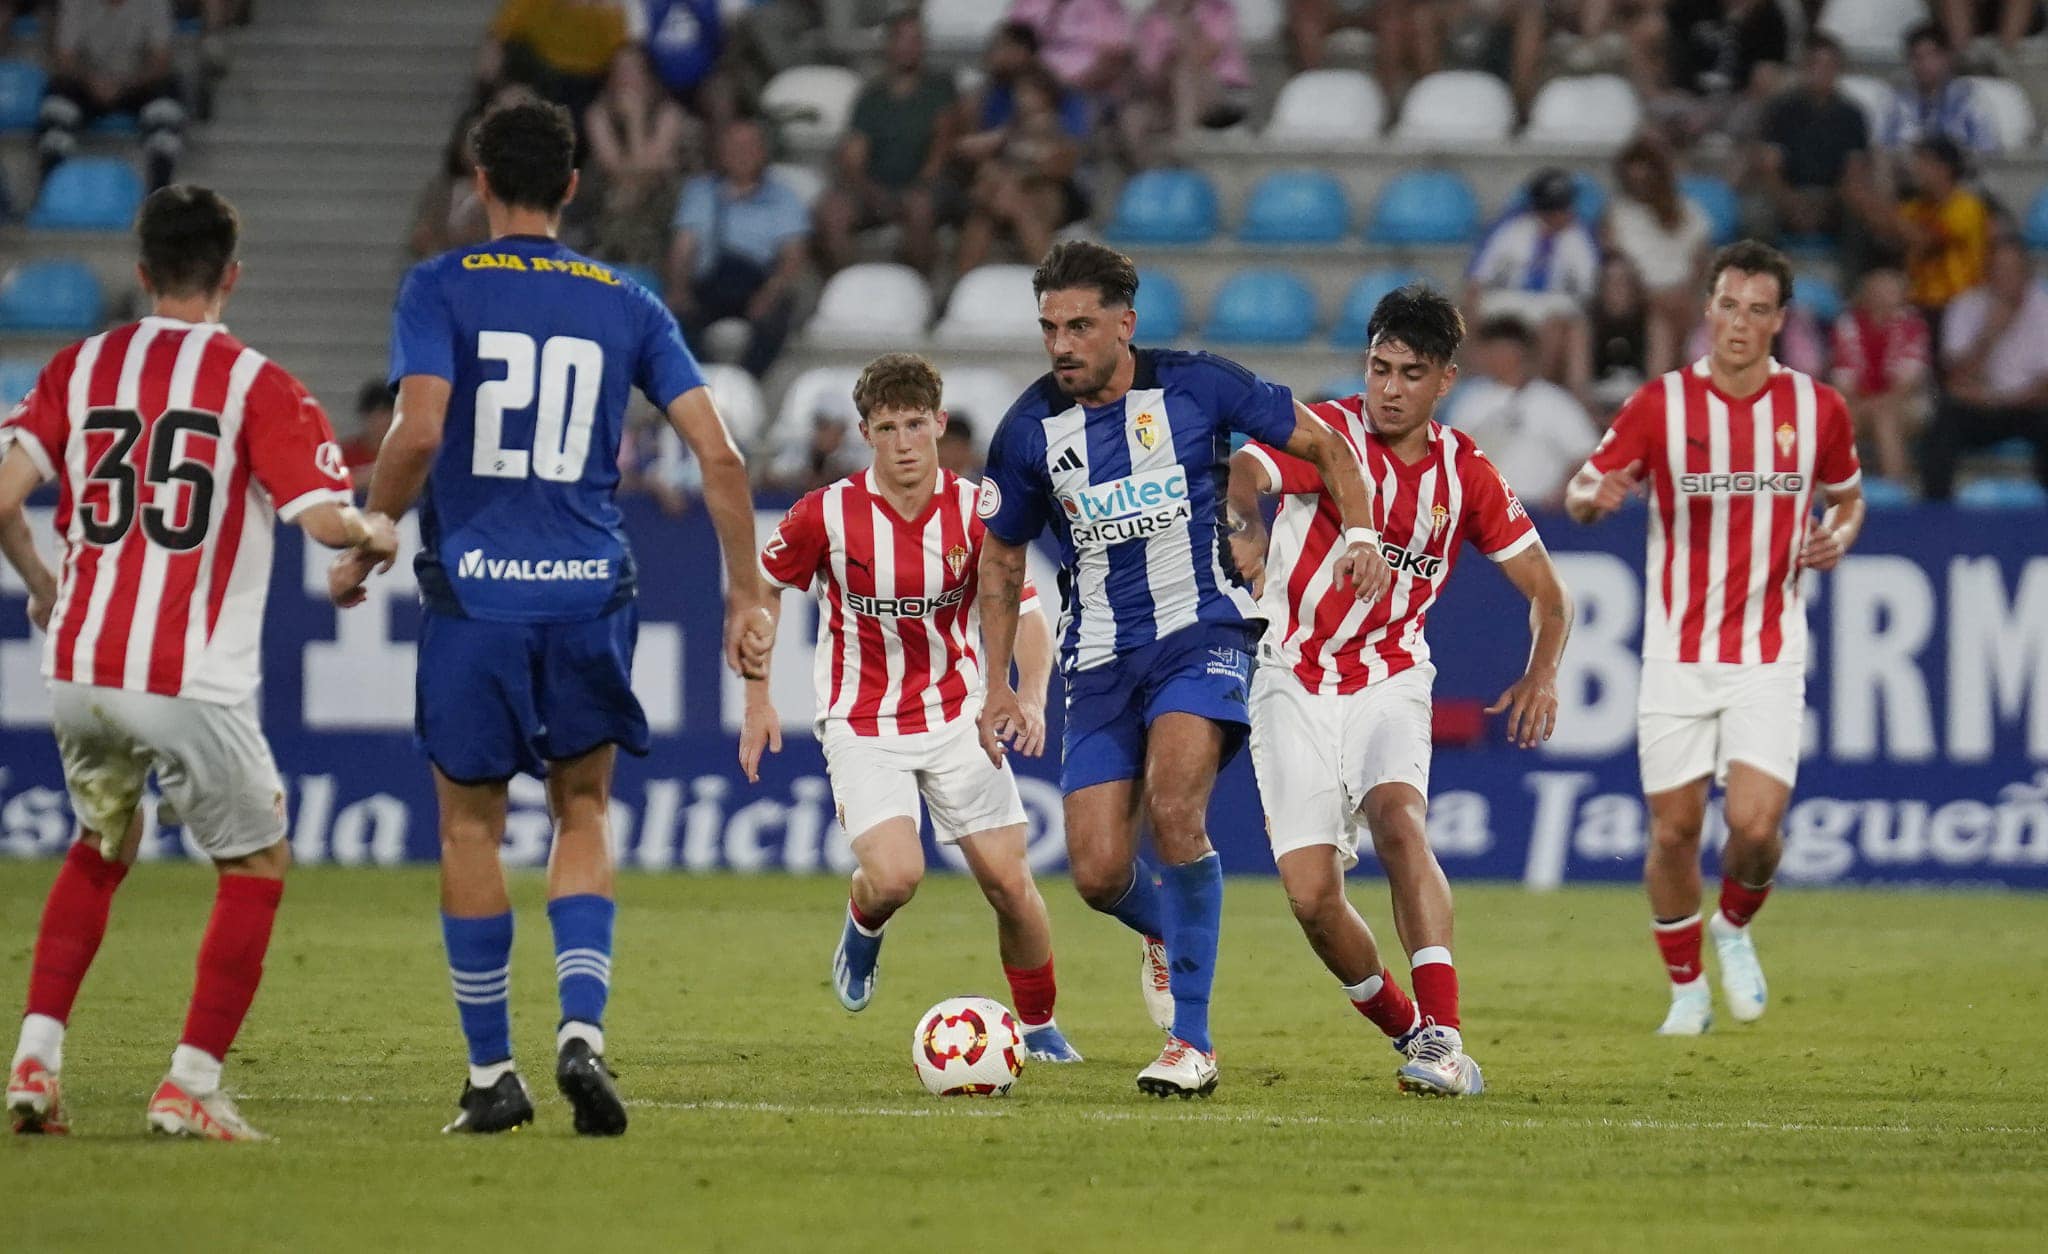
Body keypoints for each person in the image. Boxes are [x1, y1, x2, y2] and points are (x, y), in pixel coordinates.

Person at [332, 99, 771, 1136]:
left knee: (470, 822)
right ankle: (583, 1031)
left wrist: (372, 531)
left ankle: (492, 1076)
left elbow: (420, 423)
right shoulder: (624, 298)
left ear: (477, 180)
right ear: (573, 188)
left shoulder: (437, 284)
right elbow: (720, 456)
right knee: (583, 810)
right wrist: (745, 591)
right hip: (589, 593)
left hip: (477, 596)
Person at [974, 240, 1392, 1098]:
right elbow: (1001, 560)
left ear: (1126, 323)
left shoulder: (1199, 384)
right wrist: (997, 686)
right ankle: (1169, 935)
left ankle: (1191, 1045)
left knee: (1174, 810)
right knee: (1094, 871)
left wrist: (1358, 532)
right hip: (1097, 662)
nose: (1062, 344)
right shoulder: (1026, 430)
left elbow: (1329, 450)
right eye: (1050, 326)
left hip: (1202, 631)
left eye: (1080, 325)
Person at [2, 185, 377, 1140]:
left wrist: (42, 583)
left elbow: (3, 494)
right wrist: (368, 532)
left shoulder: (78, 367)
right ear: (231, 277)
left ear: (139, 274)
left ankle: (34, 1068)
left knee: (99, 846)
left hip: (81, 664)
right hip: (186, 674)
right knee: (255, 861)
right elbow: (321, 516)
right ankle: (190, 1084)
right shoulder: (257, 383)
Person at [1226, 284, 1573, 1098]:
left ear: (1444, 380)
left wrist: (1541, 671)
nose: (1387, 388)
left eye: (1409, 374)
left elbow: (1549, 594)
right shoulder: (1328, 431)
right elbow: (1245, 464)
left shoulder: (1467, 474)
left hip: (1390, 675)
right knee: (1313, 899)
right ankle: (1408, 1028)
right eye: (1378, 367)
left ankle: (1445, 1037)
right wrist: (1243, 522)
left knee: (1399, 822)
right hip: (1289, 676)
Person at [738, 353, 1082, 1065]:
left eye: (915, 424)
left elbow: (1025, 613)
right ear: (865, 432)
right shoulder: (825, 514)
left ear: (939, 424)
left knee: (1010, 884)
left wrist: (1029, 693)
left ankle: (1041, 1027)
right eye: (887, 427)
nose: (902, 442)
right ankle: (864, 924)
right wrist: (757, 697)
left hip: (958, 712)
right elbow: (761, 590)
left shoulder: (977, 512)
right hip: (861, 720)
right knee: (896, 877)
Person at [1565, 240, 1865, 1036]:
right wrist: (1601, 496)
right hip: (1676, 654)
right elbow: (1582, 488)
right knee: (1674, 831)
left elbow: (1848, 496)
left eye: (1757, 309)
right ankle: (1687, 987)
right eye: (1728, 305)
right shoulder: (1662, 404)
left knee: (1758, 829)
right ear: (1708, 309)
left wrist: (1838, 534)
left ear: (1779, 321)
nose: (1739, 322)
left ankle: (1731, 926)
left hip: (1768, 653)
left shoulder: (1817, 409)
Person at [813, 10, 957, 275]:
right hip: (877, 189)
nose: (909, 46)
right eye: (902, 39)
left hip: (926, 186)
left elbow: (941, 149)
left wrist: (916, 188)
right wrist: (873, 192)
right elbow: (854, 158)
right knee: (832, 211)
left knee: (919, 206)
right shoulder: (871, 98)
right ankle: (846, 286)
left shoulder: (940, 89)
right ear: (888, 44)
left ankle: (918, 288)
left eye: (916, 39)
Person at [664, 117, 809, 378]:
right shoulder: (700, 192)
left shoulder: (784, 197)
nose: (742, 154)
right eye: (734, 147)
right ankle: (703, 384)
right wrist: (679, 288)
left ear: (763, 152)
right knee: (674, 317)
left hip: (759, 282)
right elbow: (683, 248)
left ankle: (745, 384)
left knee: (777, 315)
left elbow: (792, 256)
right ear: (722, 153)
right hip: (710, 282)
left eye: (750, 146)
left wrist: (769, 293)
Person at [1925, 235, 2048, 498]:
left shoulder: (2043, 308)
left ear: (2026, 273)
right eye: (1998, 269)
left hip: (2027, 405)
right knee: (1945, 422)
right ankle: (1935, 509)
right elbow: (1955, 379)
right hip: (1977, 406)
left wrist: (2006, 399)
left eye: (2012, 270)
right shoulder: (1965, 306)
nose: (2004, 277)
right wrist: (1990, 335)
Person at [1466, 168, 1600, 395]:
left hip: (1554, 303)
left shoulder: (1580, 236)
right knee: (1467, 309)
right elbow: (1477, 280)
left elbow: (1589, 290)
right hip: (1509, 298)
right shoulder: (1510, 229)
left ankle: (1538, 392)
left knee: (1561, 327)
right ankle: (1477, 384)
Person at [1449, 314, 1602, 509]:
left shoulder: (1554, 402)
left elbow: (1586, 455)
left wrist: (1563, 491)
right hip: (1485, 514)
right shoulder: (1470, 401)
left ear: (1518, 352)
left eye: (1498, 350)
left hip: (1541, 514)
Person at [38, 0, 185, 192]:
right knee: (57, 98)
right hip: (88, 83)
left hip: (137, 84)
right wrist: (93, 81)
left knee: (167, 99)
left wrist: (124, 84)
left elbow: (161, 60)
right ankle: (51, 189)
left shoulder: (155, 3)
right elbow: (64, 58)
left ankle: (159, 193)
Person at [1605, 136, 1710, 377]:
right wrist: (1645, 294)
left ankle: (1686, 382)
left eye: (1646, 175)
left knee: (1686, 310)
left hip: (1683, 292)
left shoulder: (1688, 211)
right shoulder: (1617, 214)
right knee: (1659, 318)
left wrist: (1688, 290)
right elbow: (1614, 264)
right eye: (1633, 177)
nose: (1640, 182)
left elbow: (1700, 260)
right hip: (1639, 294)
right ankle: (1663, 384)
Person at [1753, 33, 1871, 242]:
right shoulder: (1781, 110)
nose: (1821, 72)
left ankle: (1851, 273)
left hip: (1834, 196)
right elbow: (1770, 166)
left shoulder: (1852, 115)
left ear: (1838, 69)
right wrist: (1791, 203)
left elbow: (1853, 171)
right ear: (1803, 68)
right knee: (1755, 214)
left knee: (1861, 212)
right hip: (1791, 192)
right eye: (1814, 64)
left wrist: (1826, 206)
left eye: (1828, 65)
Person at [583, 46, 693, 269]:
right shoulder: (598, 113)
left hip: (660, 198)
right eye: (621, 71)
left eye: (634, 70)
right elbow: (614, 168)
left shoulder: (669, 112)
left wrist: (636, 121)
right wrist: (649, 165)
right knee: (623, 195)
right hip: (611, 198)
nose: (627, 79)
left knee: (635, 194)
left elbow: (650, 171)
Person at [1829, 268, 1929, 484]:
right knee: (1837, 419)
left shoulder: (1913, 325)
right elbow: (1843, 381)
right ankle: (1830, 494)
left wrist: (1874, 406)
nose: (1883, 295)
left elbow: (1907, 385)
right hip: (1860, 403)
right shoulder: (1847, 325)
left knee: (1885, 418)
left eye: (1890, 289)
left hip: (1907, 403)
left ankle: (1896, 491)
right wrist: (1863, 405)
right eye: (1878, 289)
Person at [1892, 138, 1992, 323]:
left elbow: (1926, 241)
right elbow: (1892, 237)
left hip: (1959, 306)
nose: (1916, 168)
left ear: (1945, 168)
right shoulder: (1913, 208)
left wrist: (1876, 205)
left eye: (1924, 161)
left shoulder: (1966, 206)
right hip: (1918, 303)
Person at [1876, 23, 2001, 157]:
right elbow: (1884, 147)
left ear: (1947, 58)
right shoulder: (1897, 99)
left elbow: (1987, 149)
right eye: (1917, 57)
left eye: (1931, 56)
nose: (1924, 64)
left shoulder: (1969, 98)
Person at [341, 378, 397, 488]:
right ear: (364, 415)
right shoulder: (343, 455)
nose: (385, 421)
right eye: (379, 414)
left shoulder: (408, 453)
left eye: (390, 413)